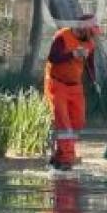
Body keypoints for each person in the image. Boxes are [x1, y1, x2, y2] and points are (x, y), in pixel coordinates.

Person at [44, 14, 100, 170]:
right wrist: (72, 54)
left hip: (75, 86)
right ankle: (67, 159)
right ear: (82, 28)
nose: (92, 35)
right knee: (64, 124)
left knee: (78, 121)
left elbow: (90, 65)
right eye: (91, 31)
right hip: (57, 84)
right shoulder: (62, 36)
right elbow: (52, 58)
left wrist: (95, 82)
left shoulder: (90, 44)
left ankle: (59, 155)